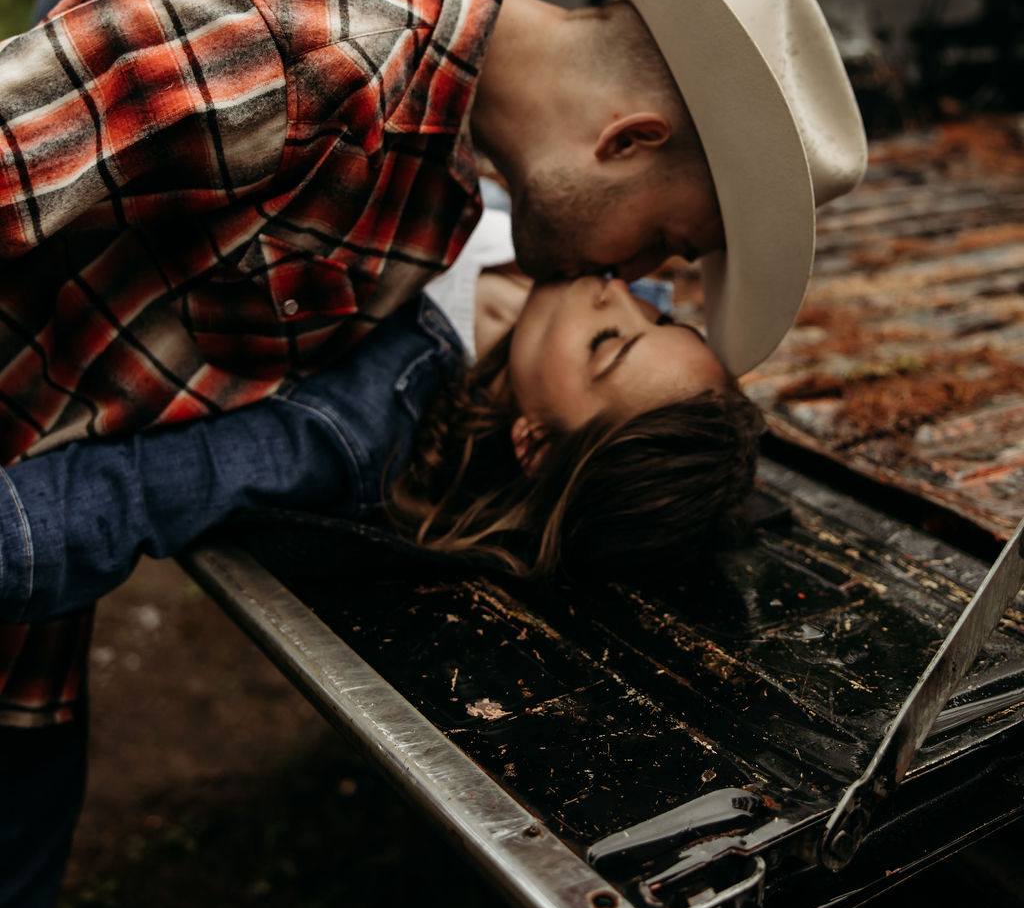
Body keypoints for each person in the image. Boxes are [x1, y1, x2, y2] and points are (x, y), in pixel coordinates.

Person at [0, 0, 867, 908]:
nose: (644, 278)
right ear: (628, 140)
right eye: (667, 243)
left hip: (88, 342)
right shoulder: (308, 48)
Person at [0, 190, 762, 622]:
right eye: (659, 317)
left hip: (109, 232)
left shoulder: (355, 424)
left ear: (533, 441)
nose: (618, 291)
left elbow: (127, 497)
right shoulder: (578, 252)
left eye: (608, 341)